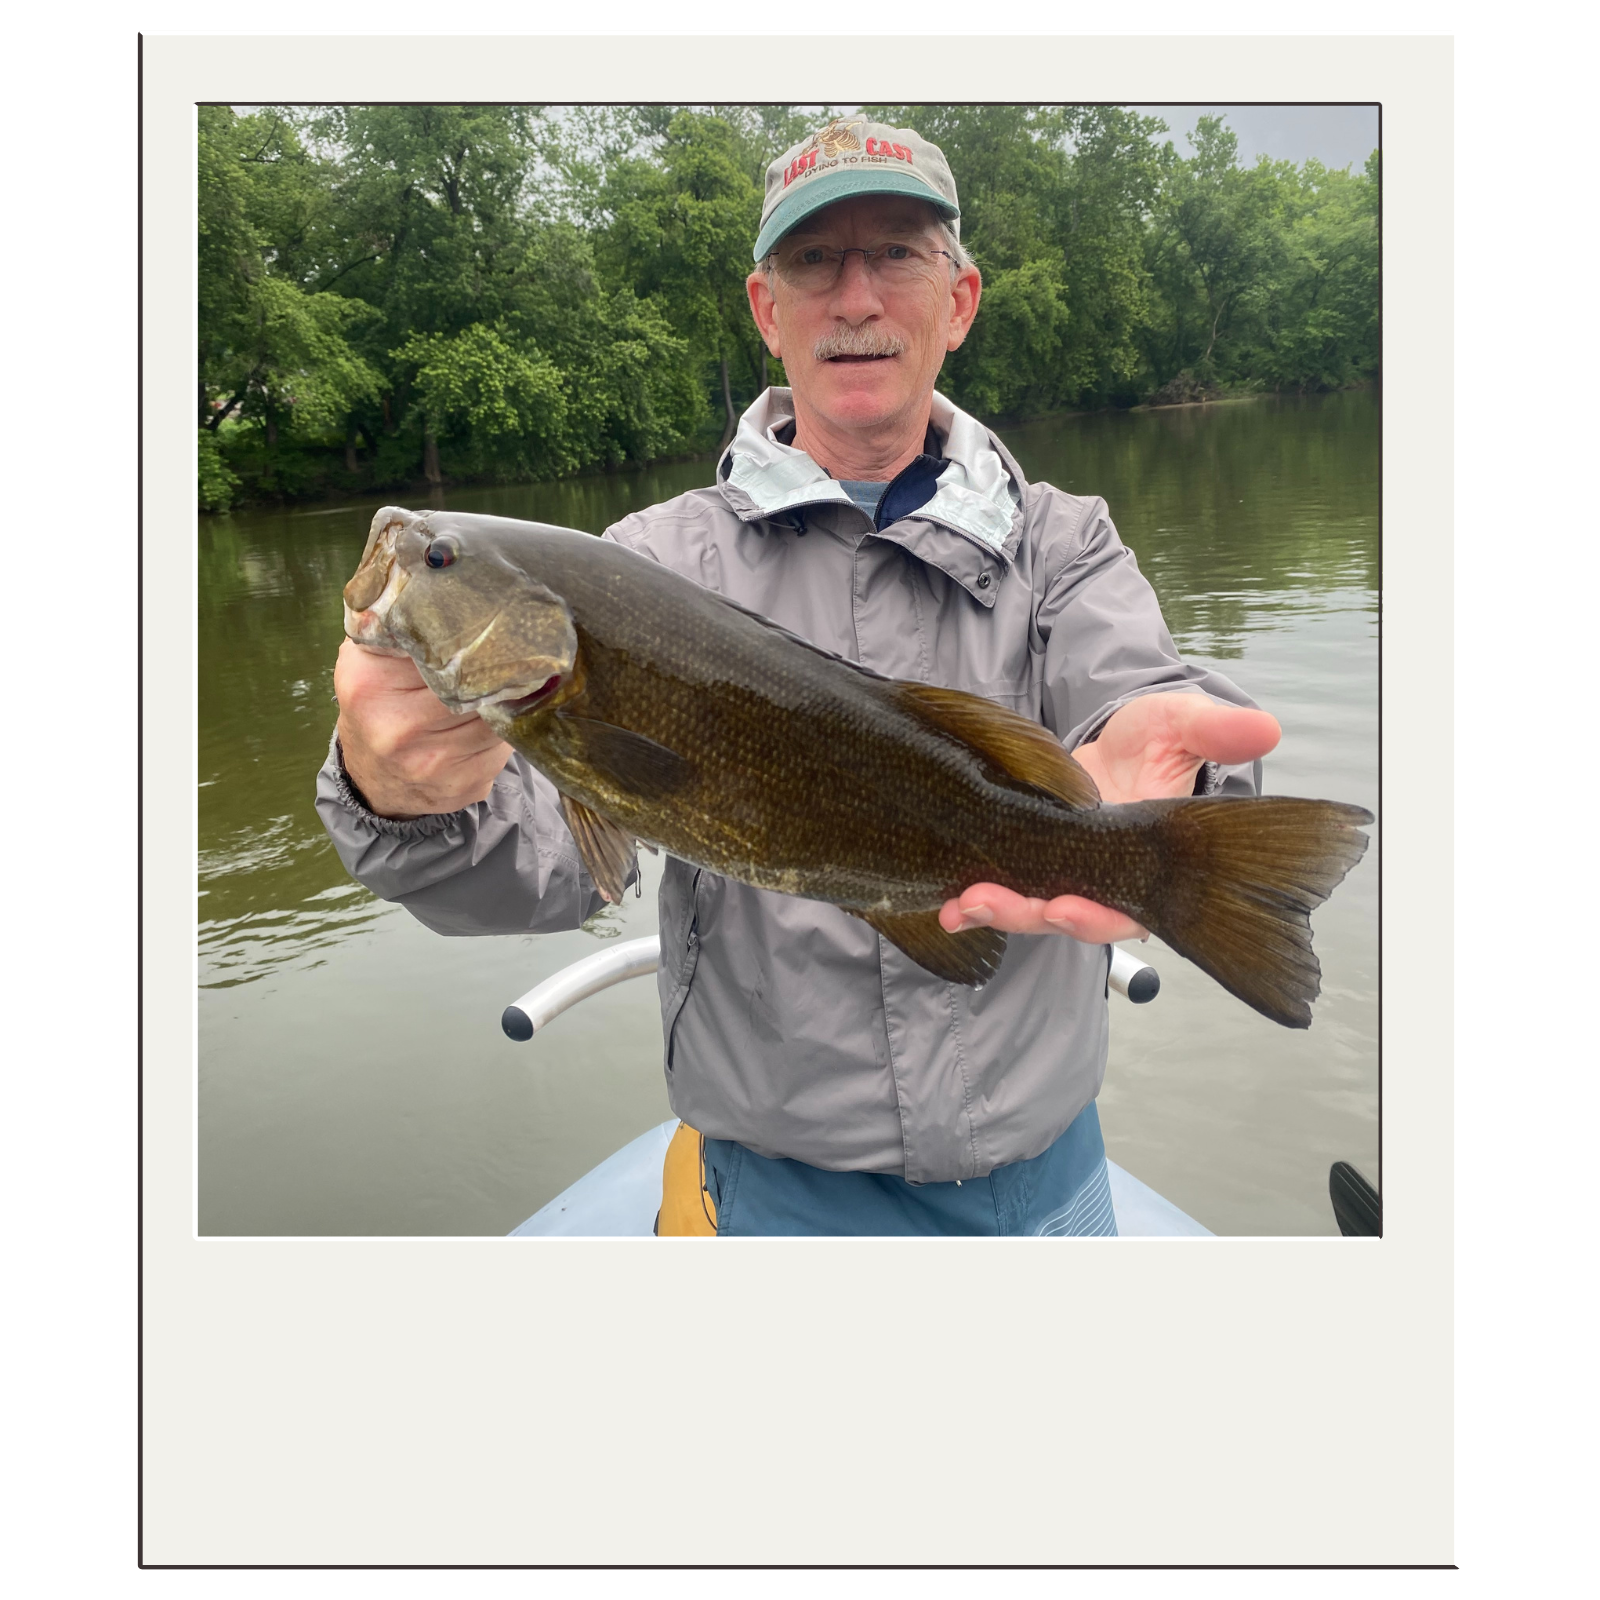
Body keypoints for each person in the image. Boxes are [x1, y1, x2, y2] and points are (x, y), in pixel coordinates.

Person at [317, 118, 1279, 1237]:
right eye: (814, 261)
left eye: (896, 254)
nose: (855, 297)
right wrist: (408, 799)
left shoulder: (1064, 543)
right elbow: (557, 868)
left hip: (1046, 1180)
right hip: (778, 1197)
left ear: (958, 300)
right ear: (766, 310)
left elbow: (1136, 699)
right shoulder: (647, 563)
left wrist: (1183, 802)